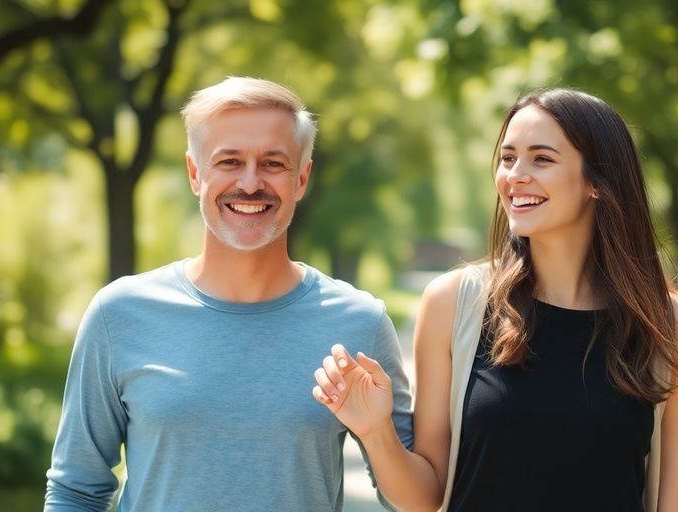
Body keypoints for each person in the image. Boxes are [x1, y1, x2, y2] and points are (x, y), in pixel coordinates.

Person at [312, 87, 678, 511]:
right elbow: (425, 497)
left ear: (597, 181)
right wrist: (376, 433)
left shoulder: (667, 323)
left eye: (542, 158)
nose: (515, 175)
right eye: (507, 158)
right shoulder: (455, 304)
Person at [45, 76, 414, 511]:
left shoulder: (359, 323)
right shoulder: (119, 314)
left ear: (301, 178)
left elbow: (415, 503)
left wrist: (377, 434)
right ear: (195, 173)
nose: (251, 182)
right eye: (229, 161)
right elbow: (76, 491)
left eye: (274, 163)